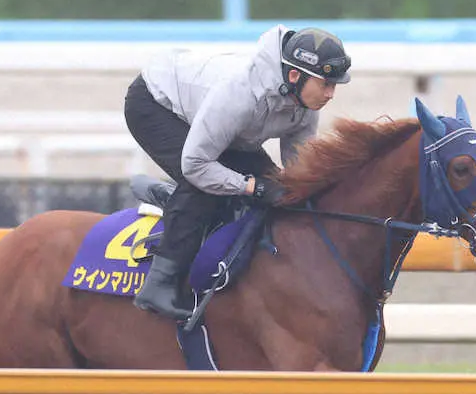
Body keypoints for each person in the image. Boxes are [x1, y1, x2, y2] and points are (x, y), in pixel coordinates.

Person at [124, 24, 351, 320]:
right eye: (326, 84)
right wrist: (249, 187)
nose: (331, 94)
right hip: (155, 105)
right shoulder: (240, 95)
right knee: (204, 187)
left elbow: (299, 169)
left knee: (276, 190)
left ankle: (175, 201)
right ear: (295, 75)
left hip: (219, 125)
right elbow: (196, 165)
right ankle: (159, 285)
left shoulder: (305, 102)